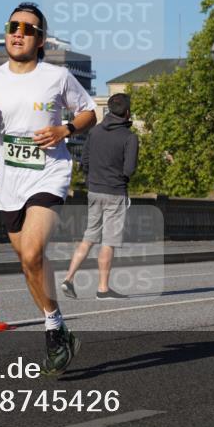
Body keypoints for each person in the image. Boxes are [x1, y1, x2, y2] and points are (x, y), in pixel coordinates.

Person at [0, 2, 96, 375]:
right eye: (13, 26)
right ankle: (57, 326)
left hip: (49, 174)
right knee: (28, 263)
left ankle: (52, 332)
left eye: (28, 29)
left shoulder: (57, 77)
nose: (19, 33)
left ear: (40, 40)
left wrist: (63, 130)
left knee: (33, 251)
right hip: (11, 182)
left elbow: (89, 112)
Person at [61, 93, 139, 300]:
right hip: (115, 192)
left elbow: (84, 160)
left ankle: (68, 278)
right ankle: (103, 289)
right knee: (109, 241)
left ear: (109, 110)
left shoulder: (94, 132)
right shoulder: (129, 137)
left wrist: (92, 180)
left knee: (88, 237)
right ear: (127, 112)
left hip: (94, 190)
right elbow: (130, 169)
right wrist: (120, 178)